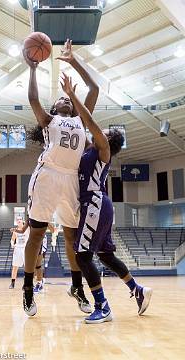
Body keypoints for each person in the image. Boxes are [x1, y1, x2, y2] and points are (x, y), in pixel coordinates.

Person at [60, 73, 152, 324]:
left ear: (109, 139)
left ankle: (102, 306)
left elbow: (87, 120)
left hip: (95, 203)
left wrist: (72, 95)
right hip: (100, 205)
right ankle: (138, 290)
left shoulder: (103, 148)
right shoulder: (92, 147)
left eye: (107, 131)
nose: (103, 130)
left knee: (82, 257)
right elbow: (82, 124)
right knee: (106, 256)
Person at [23, 39, 99, 316]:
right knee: (37, 233)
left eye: (68, 98)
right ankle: (28, 289)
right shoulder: (49, 121)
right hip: (47, 177)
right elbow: (33, 99)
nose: (65, 99)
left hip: (70, 180)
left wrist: (73, 61)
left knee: (71, 237)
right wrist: (32, 68)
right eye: (61, 99)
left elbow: (94, 88)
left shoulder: (82, 120)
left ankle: (77, 287)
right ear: (54, 108)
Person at [34, 223, 55, 293]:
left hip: (41, 240)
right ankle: (39, 281)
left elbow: (52, 230)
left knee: (38, 265)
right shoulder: (31, 217)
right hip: (32, 240)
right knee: (32, 266)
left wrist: (47, 222)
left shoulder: (44, 218)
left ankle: (39, 283)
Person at [9, 217, 29, 289]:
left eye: (20, 219)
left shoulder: (27, 228)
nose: (19, 220)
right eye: (17, 219)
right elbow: (12, 240)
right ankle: (12, 283)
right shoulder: (15, 230)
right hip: (18, 249)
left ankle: (26, 283)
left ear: (22, 220)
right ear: (16, 222)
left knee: (26, 268)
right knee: (15, 267)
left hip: (25, 249)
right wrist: (13, 246)